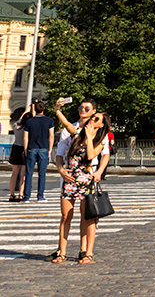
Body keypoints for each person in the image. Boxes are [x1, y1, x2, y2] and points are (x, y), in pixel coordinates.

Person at [51, 110, 110, 264]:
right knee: (65, 216)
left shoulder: (100, 139)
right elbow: (66, 125)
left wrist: (90, 138)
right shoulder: (78, 133)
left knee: (87, 218)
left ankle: (88, 253)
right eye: (93, 117)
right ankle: (61, 252)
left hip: (87, 181)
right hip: (70, 179)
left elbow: (91, 156)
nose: (92, 119)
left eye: (96, 119)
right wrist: (57, 111)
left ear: (101, 124)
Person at [22, 98, 55, 202]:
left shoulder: (29, 122)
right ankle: (40, 196)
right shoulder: (49, 121)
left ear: (34, 109)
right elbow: (51, 136)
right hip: (43, 148)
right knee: (42, 174)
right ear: (44, 108)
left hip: (31, 148)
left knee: (29, 173)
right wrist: (50, 149)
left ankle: (26, 196)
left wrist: (26, 149)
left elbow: (25, 137)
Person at [8, 106, 27, 202]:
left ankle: (11, 194)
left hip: (16, 147)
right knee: (23, 174)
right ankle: (20, 194)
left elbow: (20, 120)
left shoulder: (16, 125)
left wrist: (25, 112)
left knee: (14, 174)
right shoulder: (27, 128)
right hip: (24, 149)